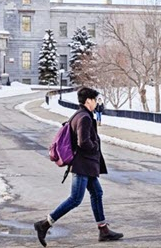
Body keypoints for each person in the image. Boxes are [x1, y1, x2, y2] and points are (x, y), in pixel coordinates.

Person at [34, 87, 123, 247]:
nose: (96, 103)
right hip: (82, 165)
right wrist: (95, 145)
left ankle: (103, 230)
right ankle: (44, 224)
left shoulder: (78, 114)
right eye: (95, 100)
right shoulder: (84, 118)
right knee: (75, 199)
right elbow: (83, 142)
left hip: (85, 165)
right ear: (88, 100)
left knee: (97, 193)